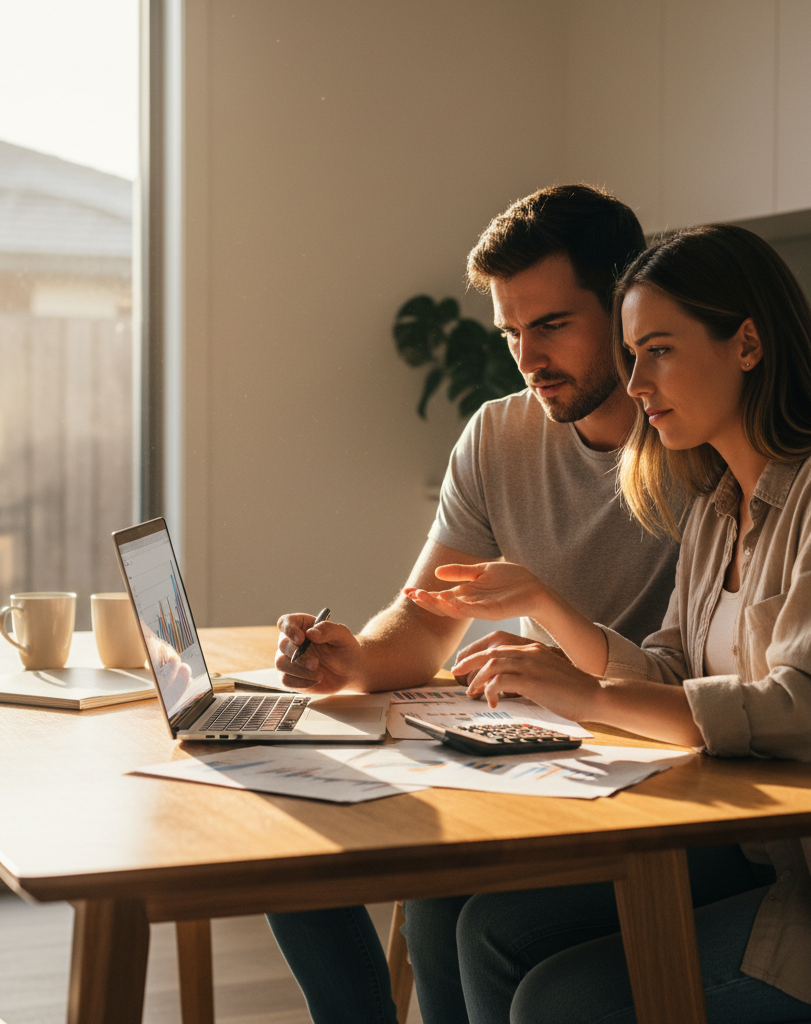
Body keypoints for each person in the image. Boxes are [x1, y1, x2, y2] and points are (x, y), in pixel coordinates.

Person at [403, 224, 811, 1024]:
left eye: (658, 352)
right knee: (487, 931)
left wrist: (589, 698)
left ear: (747, 344)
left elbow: (810, 713)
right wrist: (549, 618)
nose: (635, 382)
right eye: (630, 355)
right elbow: (672, 671)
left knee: (559, 1000)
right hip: (765, 858)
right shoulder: (719, 501)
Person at [265, 184, 684, 1024]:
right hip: (554, 761)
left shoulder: (693, 438)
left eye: (552, 324)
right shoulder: (498, 436)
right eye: (511, 332)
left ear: (626, 305)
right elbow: (426, 618)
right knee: (299, 839)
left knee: (446, 906)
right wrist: (356, 658)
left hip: (667, 766)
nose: (528, 357)